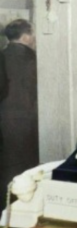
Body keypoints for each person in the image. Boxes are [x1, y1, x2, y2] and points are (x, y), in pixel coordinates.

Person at [0, 19, 39, 204]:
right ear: (25, 36)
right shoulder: (34, 59)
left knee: (7, 165)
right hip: (29, 120)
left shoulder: (2, 55)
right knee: (28, 169)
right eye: (32, 34)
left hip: (5, 120)